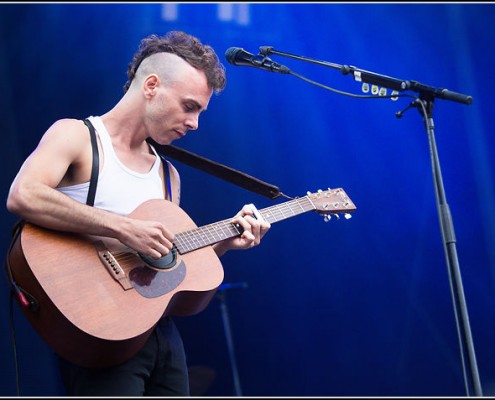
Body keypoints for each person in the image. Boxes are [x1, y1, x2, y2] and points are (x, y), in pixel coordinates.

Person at [6, 30, 271, 396]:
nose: (194, 123)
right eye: (189, 106)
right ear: (151, 86)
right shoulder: (77, 136)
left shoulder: (168, 175)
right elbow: (23, 195)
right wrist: (122, 228)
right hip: (100, 334)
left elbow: (167, 266)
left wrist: (227, 241)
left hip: (159, 333)